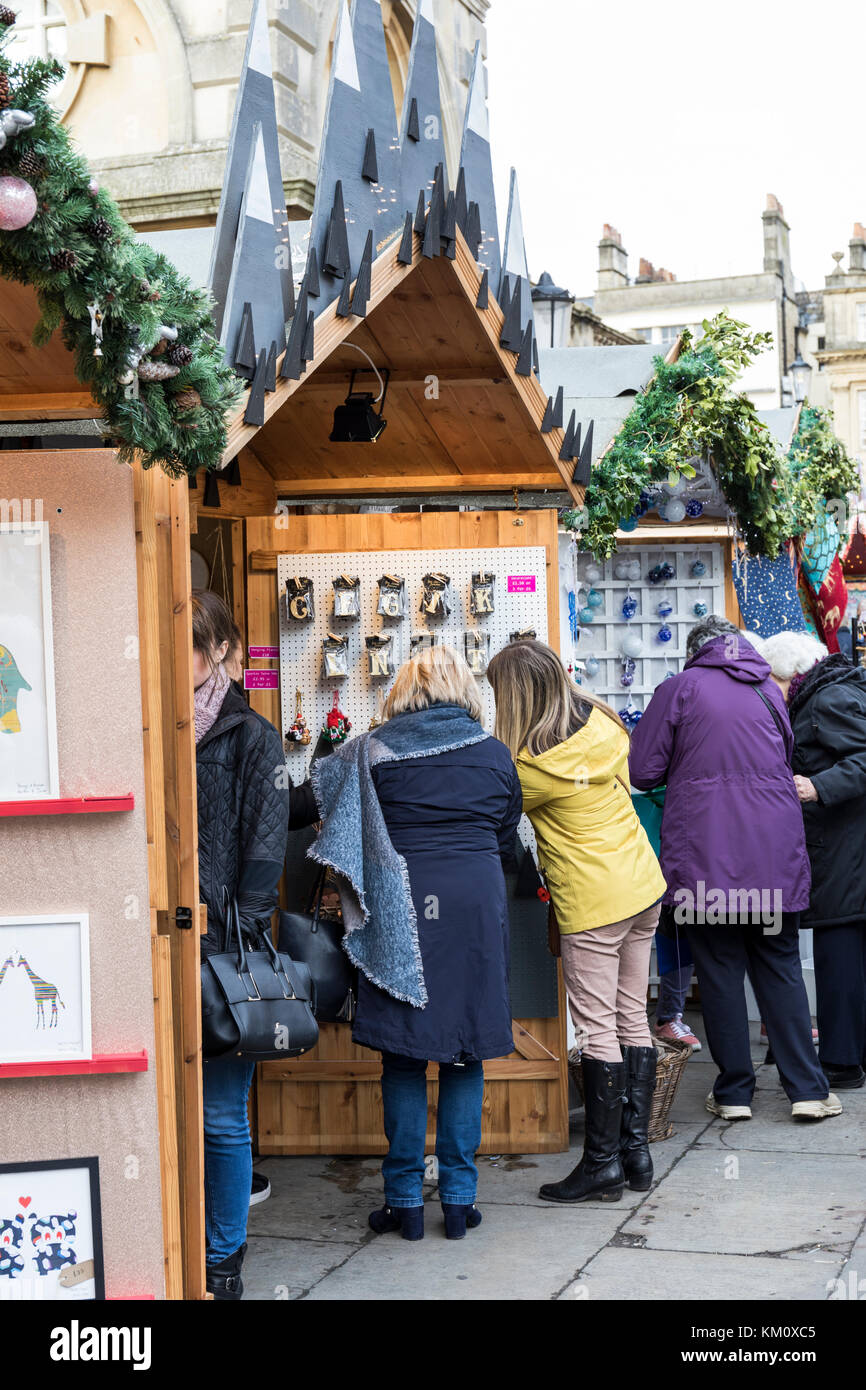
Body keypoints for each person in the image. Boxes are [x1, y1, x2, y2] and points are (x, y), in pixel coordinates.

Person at [310, 645, 521, 1241]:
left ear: (401, 691)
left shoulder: (371, 751)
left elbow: (319, 805)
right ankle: (458, 1201)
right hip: (474, 908)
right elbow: (506, 837)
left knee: (402, 1060)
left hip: (400, 907)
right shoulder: (494, 754)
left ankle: (404, 1201)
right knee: (464, 1054)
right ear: (463, 689)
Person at [629, 613, 841, 1124]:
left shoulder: (678, 689)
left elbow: (643, 770)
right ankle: (808, 1091)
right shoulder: (770, 690)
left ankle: (734, 1094)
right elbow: (784, 758)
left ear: (695, 651)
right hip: (771, 858)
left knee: (720, 973)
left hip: (706, 861)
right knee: (780, 967)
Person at [487, 640, 666, 1204]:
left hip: (593, 903)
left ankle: (601, 1164)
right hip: (643, 886)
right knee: (633, 1016)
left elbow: (493, 815)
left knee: (597, 1030)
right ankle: (636, 1155)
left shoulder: (525, 769)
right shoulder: (607, 726)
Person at [193, 590, 318, 1298]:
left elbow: (266, 852)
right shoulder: (151, 720)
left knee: (219, 1113)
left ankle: (223, 1260)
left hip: (221, 947)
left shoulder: (253, 736)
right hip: (160, 939)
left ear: (216, 652)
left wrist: (235, 934)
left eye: (186, 645)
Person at [762, 630, 866, 1089]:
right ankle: (851, 1055)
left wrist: (817, 786)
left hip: (846, 849)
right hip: (847, 846)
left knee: (836, 949)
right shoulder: (833, 691)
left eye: (775, 683)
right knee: (845, 950)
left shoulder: (826, 702)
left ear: (792, 676)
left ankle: (842, 1062)